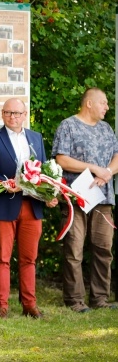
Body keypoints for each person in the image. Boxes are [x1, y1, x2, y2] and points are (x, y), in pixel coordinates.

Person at [0, 98, 57, 319]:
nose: (13, 117)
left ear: (25, 115)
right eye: (8, 113)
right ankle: (1, 306)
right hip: (4, 205)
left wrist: (49, 195)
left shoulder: (36, 138)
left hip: (32, 206)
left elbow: (44, 174)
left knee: (29, 259)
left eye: (17, 113)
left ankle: (29, 304)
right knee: (2, 258)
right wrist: (5, 184)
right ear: (2, 114)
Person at [52, 87, 118, 313]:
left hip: (103, 198)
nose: (107, 107)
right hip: (76, 197)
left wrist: (107, 172)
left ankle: (100, 298)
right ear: (89, 103)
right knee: (74, 249)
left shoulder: (106, 129)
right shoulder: (68, 125)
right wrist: (94, 168)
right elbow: (61, 159)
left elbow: (117, 155)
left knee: (103, 248)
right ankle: (75, 300)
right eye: (104, 103)